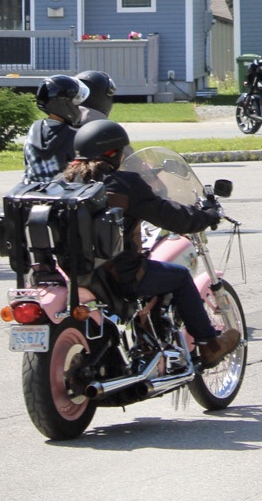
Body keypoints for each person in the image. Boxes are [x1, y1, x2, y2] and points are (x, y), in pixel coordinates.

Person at [58, 120, 241, 369]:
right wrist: (206, 216)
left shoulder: (62, 184)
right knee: (178, 275)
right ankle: (209, 344)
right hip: (120, 277)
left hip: (76, 275)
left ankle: (148, 338)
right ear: (114, 152)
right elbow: (172, 217)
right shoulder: (123, 184)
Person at [22, 75, 87, 186]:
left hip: (32, 191)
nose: (78, 107)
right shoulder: (71, 136)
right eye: (76, 103)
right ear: (64, 103)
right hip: (63, 195)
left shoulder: (35, 129)